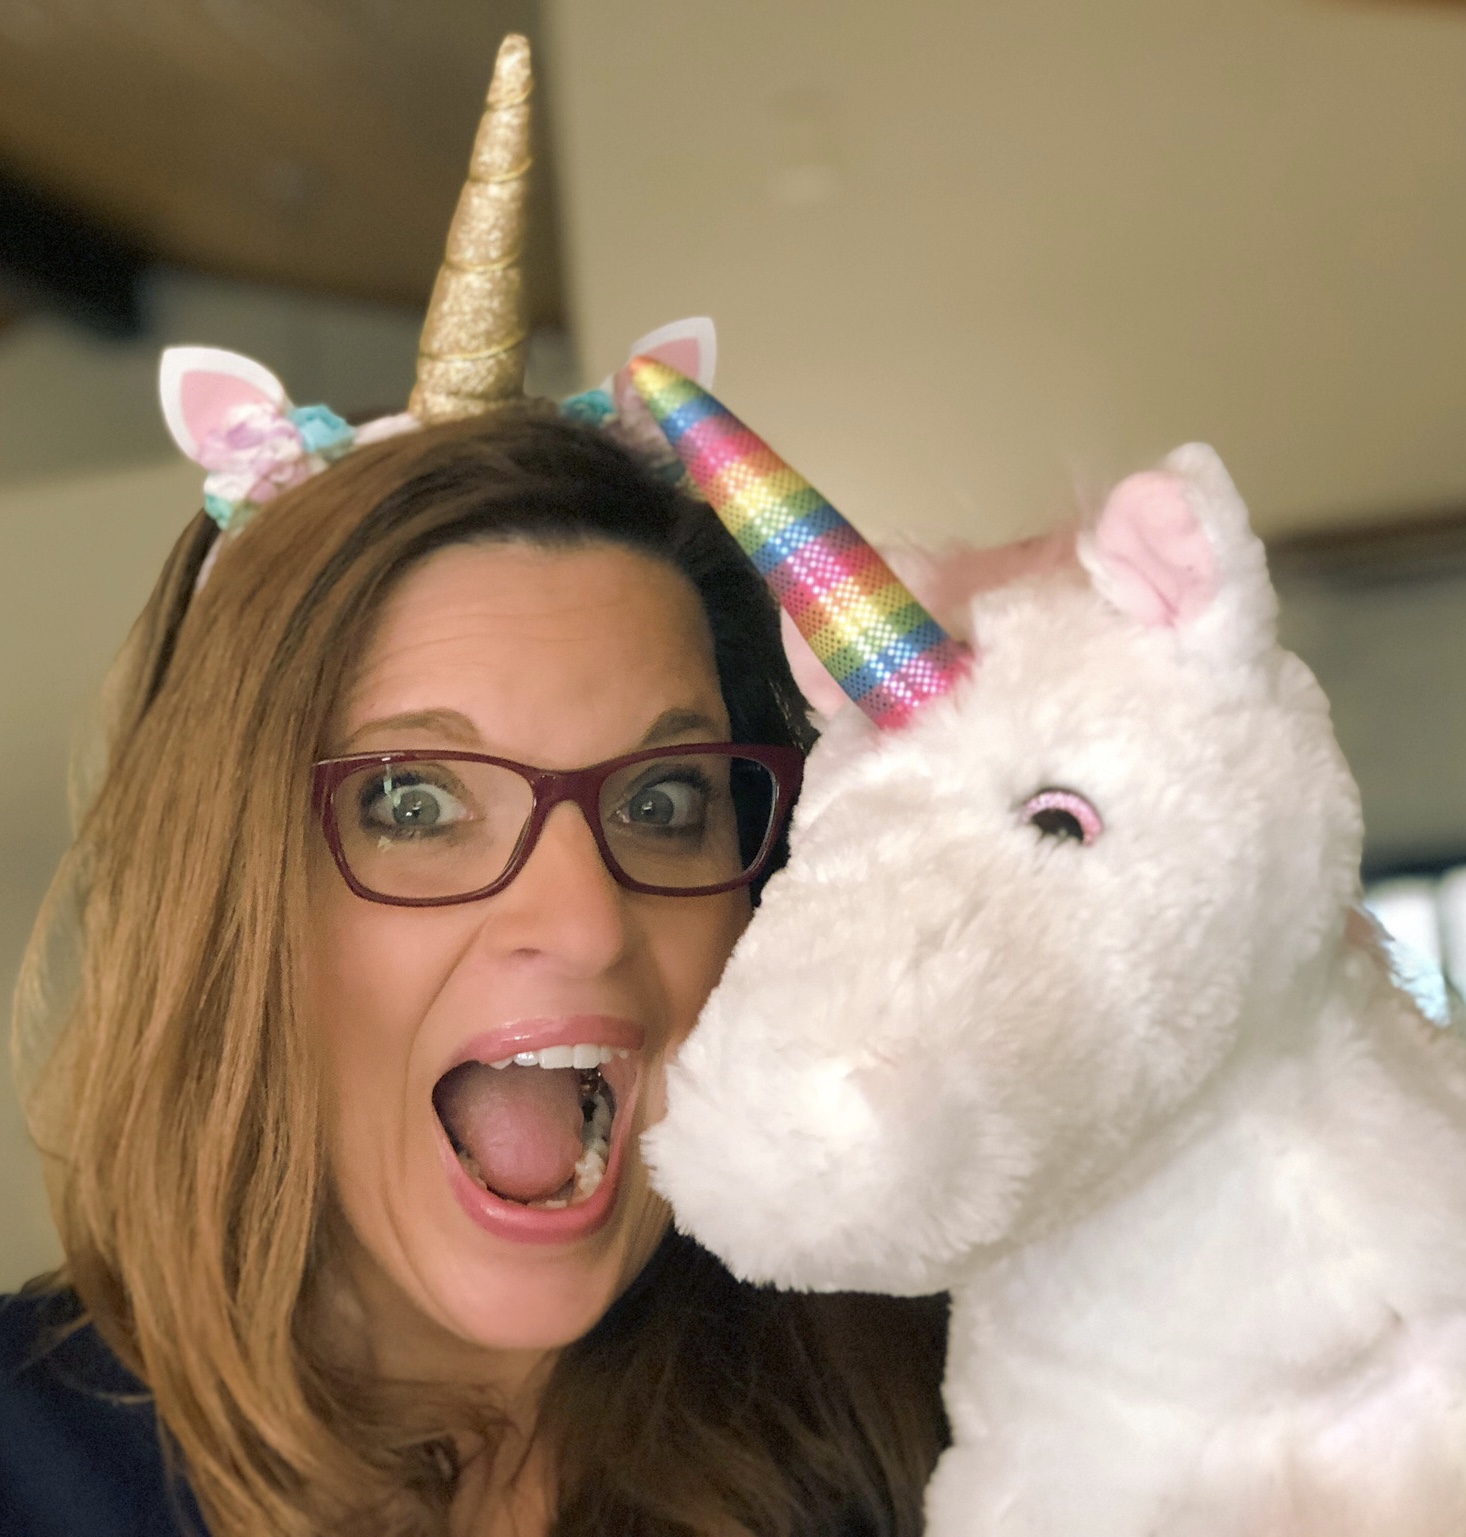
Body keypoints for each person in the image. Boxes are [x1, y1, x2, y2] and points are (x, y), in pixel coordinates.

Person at [0, 35, 948, 1537]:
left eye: (662, 802)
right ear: (226, 895)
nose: (583, 917)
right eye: (414, 801)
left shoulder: (950, 1416)